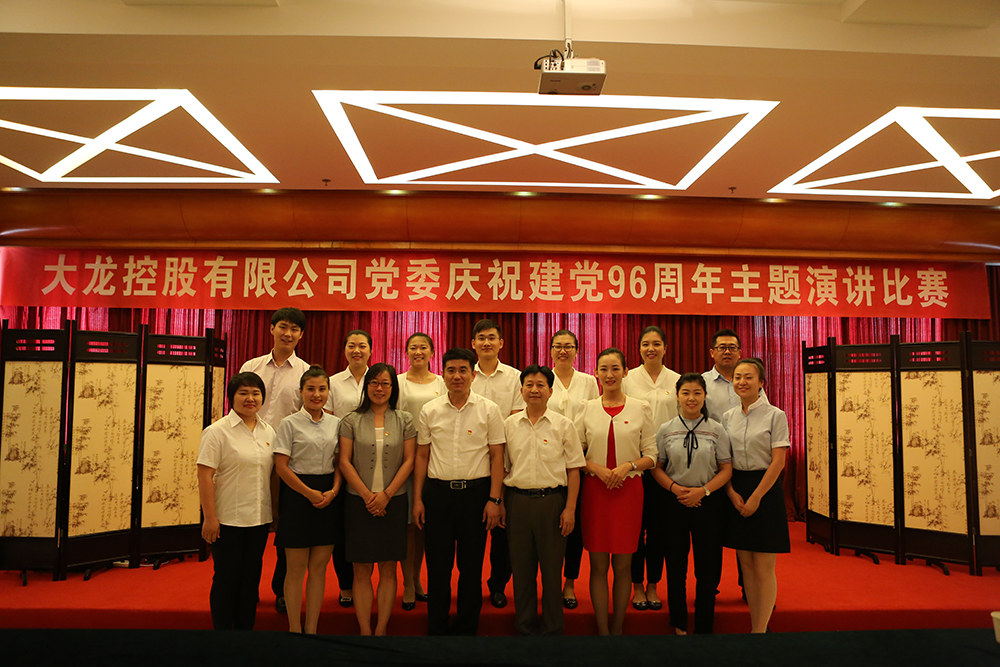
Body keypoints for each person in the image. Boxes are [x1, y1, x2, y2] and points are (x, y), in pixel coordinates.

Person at [413, 348, 506, 636]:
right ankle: (437, 627)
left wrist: (494, 499)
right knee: (438, 566)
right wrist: (417, 499)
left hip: (475, 496)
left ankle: (467, 628)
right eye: (451, 370)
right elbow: (422, 456)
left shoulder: (489, 409)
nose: (457, 376)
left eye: (463, 370)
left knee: (471, 566)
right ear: (442, 375)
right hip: (437, 495)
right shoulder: (430, 410)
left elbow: (497, 456)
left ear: (473, 375)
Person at [575, 347, 656, 636]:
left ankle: (618, 627)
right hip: (595, 491)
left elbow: (652, 455)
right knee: (598, 565)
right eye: (604, 369)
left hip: (628, 491)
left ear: (625, 372)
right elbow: (574, 453)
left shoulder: (640, 407)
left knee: (623, 565)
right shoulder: (586, 408)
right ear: (596, 373)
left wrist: (628, 466)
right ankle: (602, 631)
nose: (609, 375)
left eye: (615, 369)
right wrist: (596, 468)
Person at [503, 364, 585, 635]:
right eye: (529, 385)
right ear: (521, 390)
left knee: (551, 571)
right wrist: (500, 503)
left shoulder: (564, 425)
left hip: (553, 503)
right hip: (518, 503)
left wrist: (570, 509)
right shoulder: (509, 425)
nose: (534, 390)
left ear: (550, 391)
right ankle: (524, 627)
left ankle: (552, 629)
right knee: (522, 570)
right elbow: (503, 468)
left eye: (540, 385)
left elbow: (574, 470)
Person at [239, 307, 309, 614]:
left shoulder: (305, 372)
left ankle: (282, 590)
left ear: (301, 335)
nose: (288, 333)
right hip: (248, 457)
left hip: (286, 461)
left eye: (294, 329)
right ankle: (247, 589)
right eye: (283, 327)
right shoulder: (252, 367)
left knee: (285, 528)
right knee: (251, 526)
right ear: (271, 329)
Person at [339, 363, 416, 636]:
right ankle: (364, 629)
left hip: (394, 502)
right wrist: (368, 496)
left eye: (385, 383)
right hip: (357, 503)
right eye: (374, 383)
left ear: (393, 388)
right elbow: (344, 461)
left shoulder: (405, 420)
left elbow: (409, 461)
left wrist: (386, 496)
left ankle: (381, 628)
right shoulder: (350, 420)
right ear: (366, 386)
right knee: (361, 569)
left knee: (388, 568)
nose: (379, 388)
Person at [652, 373, 733, 635]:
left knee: (708, 567)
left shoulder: (716, 429)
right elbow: (657, 468)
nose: (691, 398)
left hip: (707, 503)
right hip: (673, 502)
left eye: (697, 393)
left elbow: (726, 468)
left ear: (705, 396)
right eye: (685, 392)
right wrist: (675, 489)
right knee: (676, 566)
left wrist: (703, 491)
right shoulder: (665, 429)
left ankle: (704, 627)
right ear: (677, 396)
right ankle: (679, 623)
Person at [196, 372, 276, 630]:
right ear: (232, 397)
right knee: (227, 579)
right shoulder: (217, 432)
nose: (250, 398)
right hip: (227, 520)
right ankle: (223, 636)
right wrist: (210, 518)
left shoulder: (268, 431)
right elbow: (205, 476)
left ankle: (245, 634)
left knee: (250, 579)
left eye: (255, 393)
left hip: (258, 519)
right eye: (243, 393)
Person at [722, 358, 790, 634]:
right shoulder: (728, 417)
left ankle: (760, 631)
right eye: (737, 377)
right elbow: (724, 461)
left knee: (763, 566)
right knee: (746, 565)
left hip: (766, 490)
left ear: (761, 382)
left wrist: (757, 497)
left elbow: (778, 462)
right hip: (736, 487)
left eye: (748, 377)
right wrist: (730, 492)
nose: (742, 382)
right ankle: (755, 624)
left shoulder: (776, 415)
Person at [272, 366, 341, 634]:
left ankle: (311, 627)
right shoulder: (289, 424)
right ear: (301, 392)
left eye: (322, 389)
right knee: (296, 568)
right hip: (297, 497)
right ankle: (294, 627)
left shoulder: (336, 424)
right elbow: (281, 467)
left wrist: (333, 491)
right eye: (310, 389)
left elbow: (340, 463)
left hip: (328, 497)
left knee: (319, 568)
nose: (316, 394)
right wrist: (308, 493)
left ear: (328, 392)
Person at [621, 325, 679, 612]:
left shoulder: (677, 380)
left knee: (658, 531)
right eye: (645, 344)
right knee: (634, 529)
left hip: (666, 467)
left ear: (665, 348)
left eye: (656, 343)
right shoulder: (628, 379)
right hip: (634, 465)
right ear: (639, 348)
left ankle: (653, 584)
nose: (651, 349)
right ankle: (636, 585)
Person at [469, 318, 524, 609]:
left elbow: (516, 420)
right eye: (481, 338)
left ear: (501, 343)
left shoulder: (514, 377)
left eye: (492, 337)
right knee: (472, 532)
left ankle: (498, 585)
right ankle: (470, 587)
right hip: (470, 462)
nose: (486, 342)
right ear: (473, 344)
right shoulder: (465, 374)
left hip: (506, 460)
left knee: (503, 531)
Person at [547, 329, 599, 610]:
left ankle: (569, 582)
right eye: (558, 346)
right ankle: (550, 580)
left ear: (577, 351)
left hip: (580, 460)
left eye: (568, 346)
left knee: (574, 526)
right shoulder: (544, 378)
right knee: (550, 525)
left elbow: (594, 416)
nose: (563, 351)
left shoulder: (588, 382)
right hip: (548, 459)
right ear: (551, 351)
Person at [397, 332, 446, 610]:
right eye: (413, 347)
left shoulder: (441, 382)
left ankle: (417, 578)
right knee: (408, 525)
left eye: (423, 347)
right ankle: (406, 582)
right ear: (406, 352)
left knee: (424, 526)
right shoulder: (398, 382)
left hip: (434, 458)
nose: (418, 352)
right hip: (405, 458)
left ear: (432, 352)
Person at [324, 329, 373, 606]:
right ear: (344, 350)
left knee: (368, 528)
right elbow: (328, 421)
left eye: (362, 346)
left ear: (370, 350)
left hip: (373, 463)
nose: (357, 350)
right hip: (341, 462)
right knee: (342, 529)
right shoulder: (332, 383)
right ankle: (346, 585)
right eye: (351, 346)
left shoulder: (377, 379)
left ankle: (365, 583)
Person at [703, 329, 768, 423]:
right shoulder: (702, 382)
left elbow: (764, 410)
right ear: (712, 353)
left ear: (739, 353)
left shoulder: (750, 381)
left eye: (732, 348)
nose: (727, 352)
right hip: (715, 432)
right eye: (722, 347)